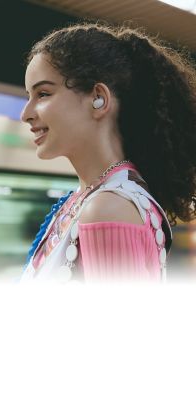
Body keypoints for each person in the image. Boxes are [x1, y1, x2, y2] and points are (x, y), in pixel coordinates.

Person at [20, 22, 196, 283]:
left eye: (43, 94)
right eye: (28, 96)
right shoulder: (88, 199)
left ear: (98, 98)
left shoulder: (110, 207)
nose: (26, 114)